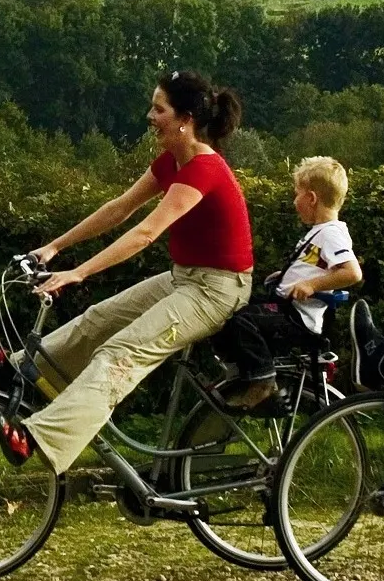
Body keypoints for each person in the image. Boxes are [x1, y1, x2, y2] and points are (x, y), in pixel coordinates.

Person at [14, 71, 253, 470]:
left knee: (119, 354)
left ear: (185, 118)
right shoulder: (172, 162)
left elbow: (145, 233)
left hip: (218, 290)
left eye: (158, 109)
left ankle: (40, 438)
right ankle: (21, 375)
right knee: (97, 320)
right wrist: (55, 247)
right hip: (185, 278)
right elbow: (119, 209)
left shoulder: (203, 169)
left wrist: (80, 272)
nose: (150, 116)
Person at [217, 156, 363, 408]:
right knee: (229, 304)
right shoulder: (320, 232)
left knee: (243, 320)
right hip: (285, 307)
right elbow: (313, 266)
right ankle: (240, 372)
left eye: (297, 195)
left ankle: (262, 379)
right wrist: (284, 277)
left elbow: (352, 273)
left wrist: (311, 286)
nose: (295, 202)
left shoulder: (331, 233)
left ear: (312, 198)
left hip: (296, 317)